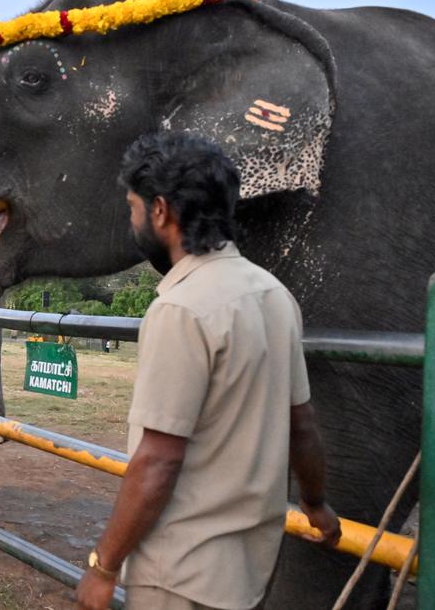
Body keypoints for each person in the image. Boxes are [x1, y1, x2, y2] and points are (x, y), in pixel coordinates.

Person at [75, 132, 341, 610]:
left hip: (179, 575)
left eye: (133, 207)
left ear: (160, 211)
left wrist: (104, 565)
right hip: (249, 571)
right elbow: (303, 425)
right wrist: (316, 503)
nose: (132, 219)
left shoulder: (181, 308)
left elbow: (159, 460)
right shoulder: (274, 296)